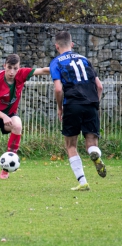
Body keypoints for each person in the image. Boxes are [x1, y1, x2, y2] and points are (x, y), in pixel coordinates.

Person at [49, 31, 106, 191]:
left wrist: (60, 108)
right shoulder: (84, 59)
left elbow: (59, 89)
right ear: (72, 45)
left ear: (57, 46)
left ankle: (83, 182)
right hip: (90, 103)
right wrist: (95, 103)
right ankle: (95, 153)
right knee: (91, 142)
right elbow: (99, 86)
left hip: (72, 104)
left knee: (71, 145)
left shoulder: (56, 62)